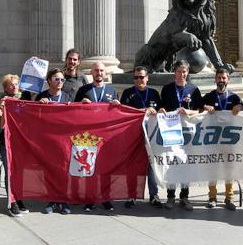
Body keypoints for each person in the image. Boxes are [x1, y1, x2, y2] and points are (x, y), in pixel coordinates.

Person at [158, 60, 203, 211]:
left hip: (188, 133)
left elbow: (200, 110)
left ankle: (185, 196)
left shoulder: (194, 89)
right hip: (171, 132)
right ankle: (170, 196)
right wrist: (162, 110)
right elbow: (161, 106)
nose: (182, 74)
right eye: (179, 71)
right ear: (174, 72)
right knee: (171, 164)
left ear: (188, 72)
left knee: (186, 165)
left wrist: (190, 112)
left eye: (184, 72)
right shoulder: (167, 89)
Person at [75, 61, 120, 211]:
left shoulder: (112, 91)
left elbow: (118, 114)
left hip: (106, 137)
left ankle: (105, 198)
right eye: (96, 70)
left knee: (106, 168)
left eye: (101, 70)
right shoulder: (83, 90)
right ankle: (90, 198)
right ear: (92, 73)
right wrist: (81, 103)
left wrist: (117, 105)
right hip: (89, 137)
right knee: (90, 168)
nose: (99, 73)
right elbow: (74, 112)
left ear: (105, 73)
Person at [120, 66, 162, 208]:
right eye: (136, 77)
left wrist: (158, 110)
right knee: (133, 164)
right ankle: (131, 195)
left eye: (141, 77)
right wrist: (143, 111)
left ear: (147, 78)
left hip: (151, 135)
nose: (139, 80)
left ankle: (154, 195)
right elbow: (124, 112)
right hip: (133, 135)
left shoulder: (155, 93)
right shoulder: (128, 93)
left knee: (151, 164)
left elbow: (160, 111)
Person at [203, 68, 243, 211]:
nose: (221, 80)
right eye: (219, 78)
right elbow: (199, 109)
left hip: (229, 140)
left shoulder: (235, 98)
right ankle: (212, 197)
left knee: (229, 169)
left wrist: (241, 107)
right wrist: (205, 107)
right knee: (212, 168)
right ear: (215, 79)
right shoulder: (208, 97)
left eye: (224, 78)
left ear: (228, 80)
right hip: (213, 139)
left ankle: (229, 197)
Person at [36, 68, 73, 215]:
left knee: (64, 171)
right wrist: (39, 104)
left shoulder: (67, 97)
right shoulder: (42, 96)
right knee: (49, 170)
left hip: (64, 140)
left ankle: (63, 200)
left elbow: (74, 117)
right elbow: (33, 117)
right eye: (56, 79)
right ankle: (51, 200)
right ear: (49, 81)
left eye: (62, 80)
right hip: (47, 140)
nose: (59, 82)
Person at [0, 74, 30, 216]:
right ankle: (12, 202)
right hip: (7, 141)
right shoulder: (3, 101)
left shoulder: (24, 99)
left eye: (16, 84)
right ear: (5, 88)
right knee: (10, 172)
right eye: (11, 84)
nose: (14, 86)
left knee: (20, 172)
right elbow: (1, 126)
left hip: (21, 142)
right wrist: (1, 110)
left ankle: (19, 198)